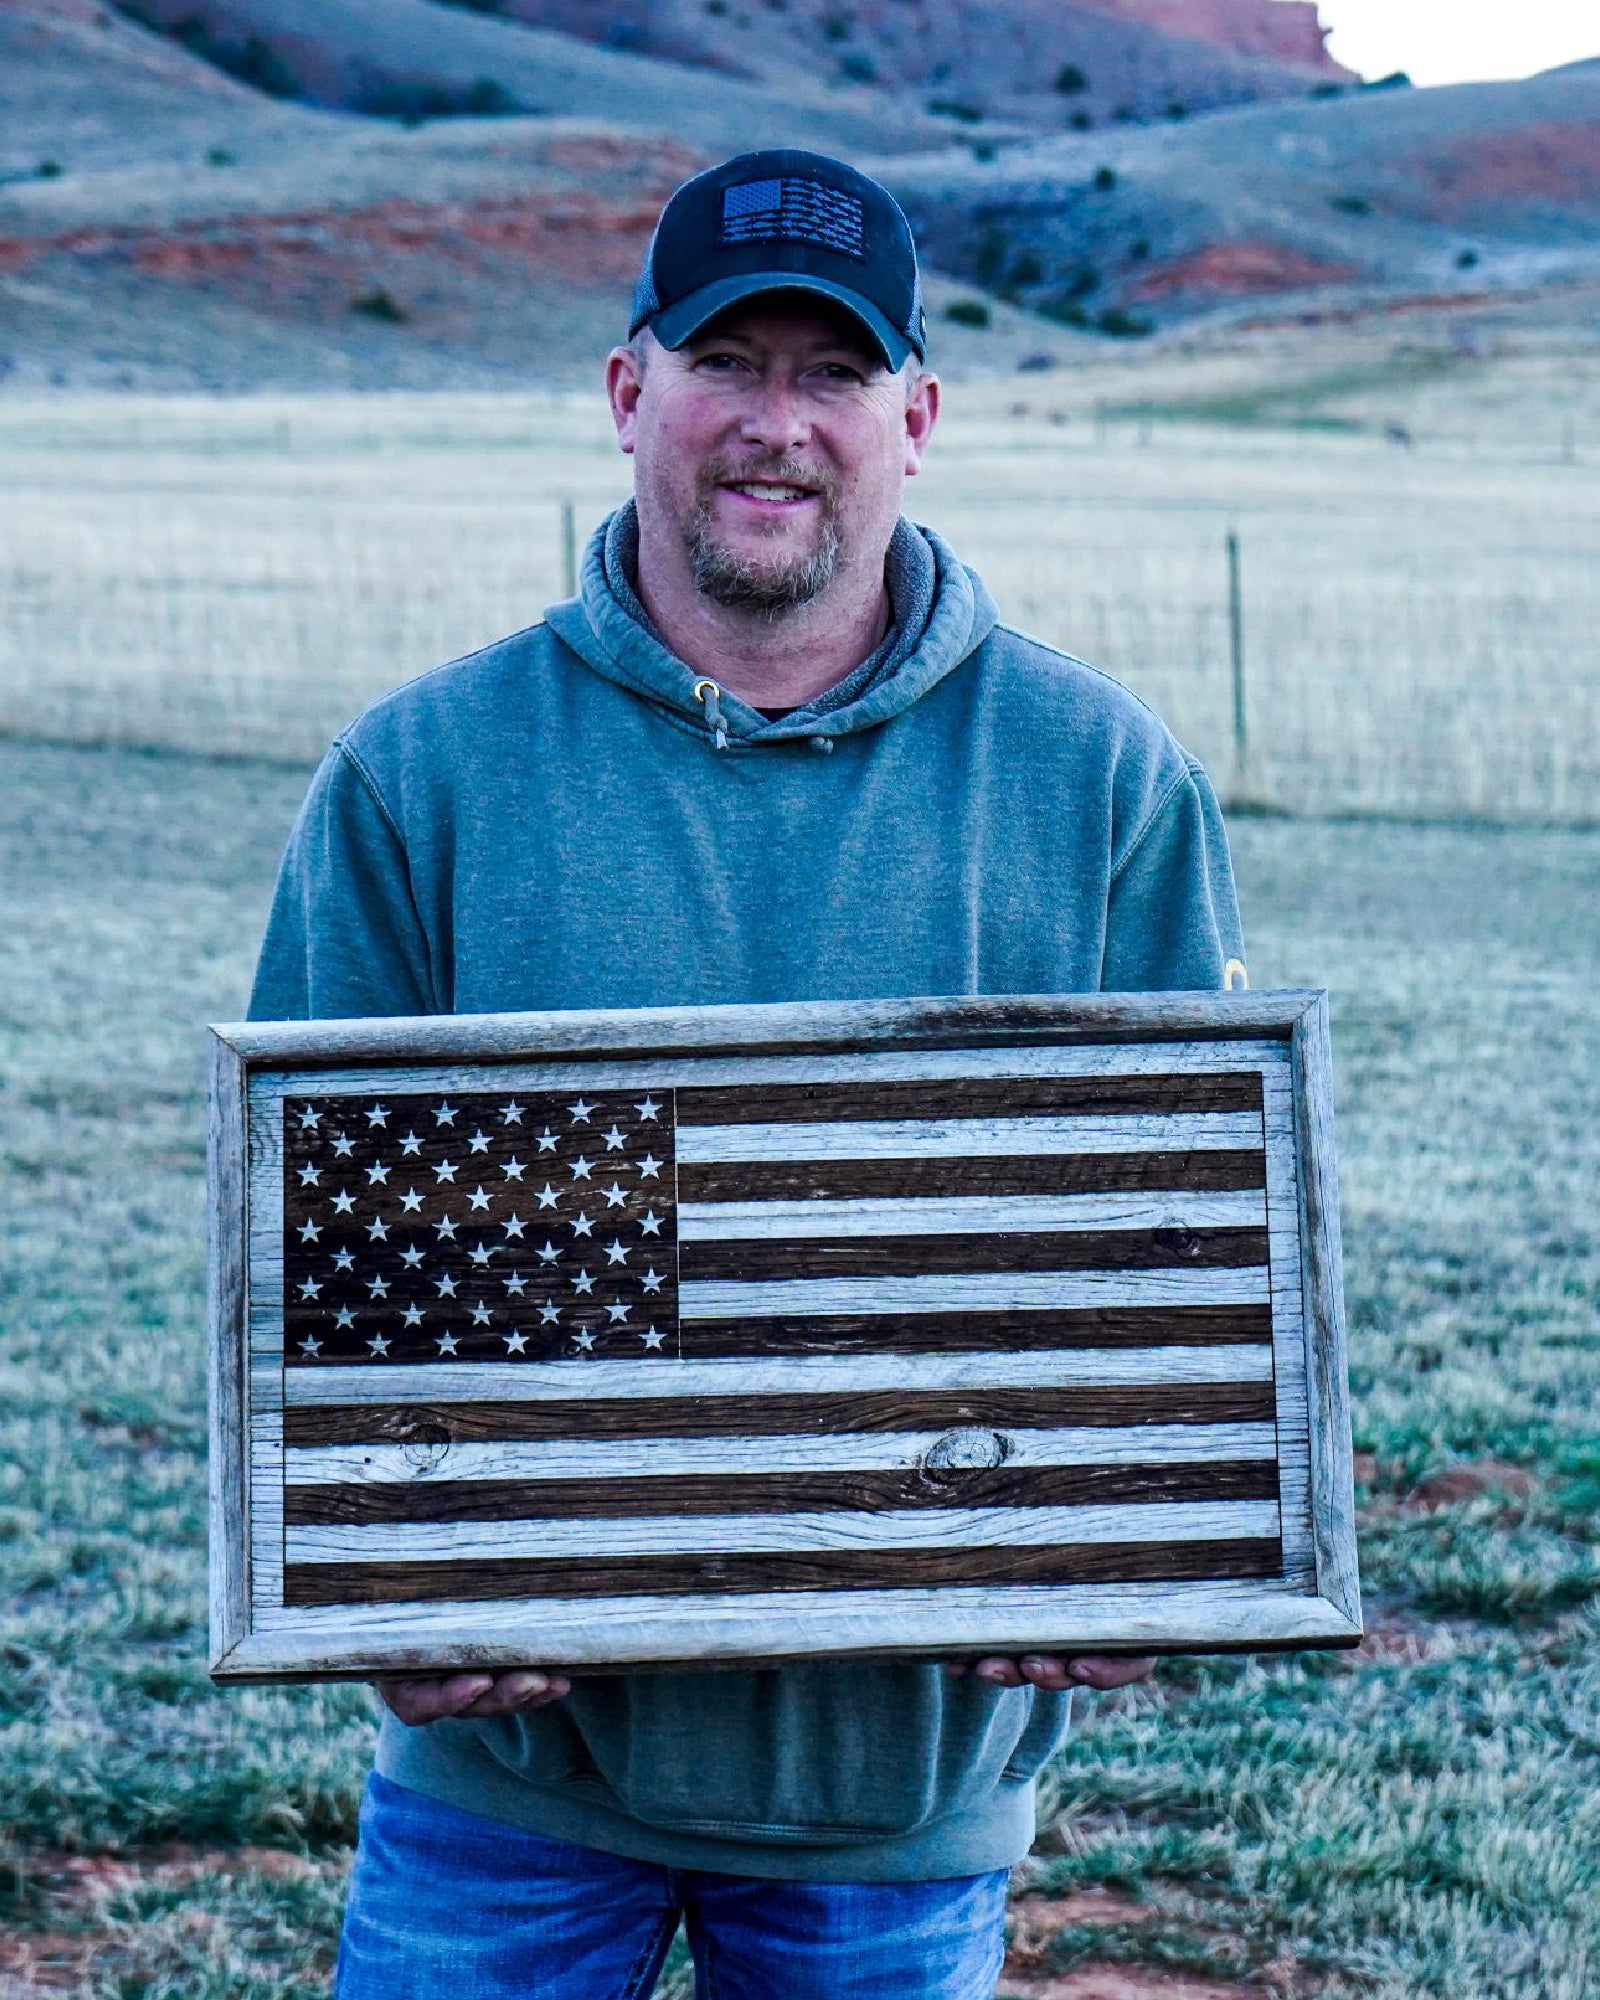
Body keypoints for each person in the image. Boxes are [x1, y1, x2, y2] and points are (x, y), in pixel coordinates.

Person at [250, 148, 1246, 2000]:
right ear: (632, 392)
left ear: (917, 418)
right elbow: (318, 1281)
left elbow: (1180, 1262)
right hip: (510, 1783)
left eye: (833, 373)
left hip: (899, 1799)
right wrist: (376, 1587)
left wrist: (1151, 1537)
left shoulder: (1098, 781)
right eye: (729, 361)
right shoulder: (424, 776)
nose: (774, 426)